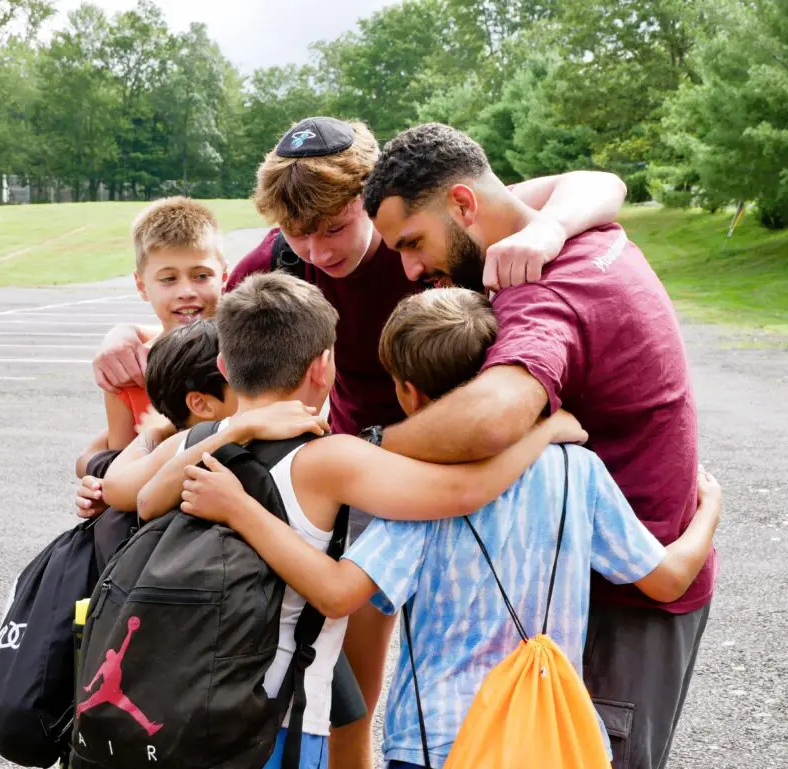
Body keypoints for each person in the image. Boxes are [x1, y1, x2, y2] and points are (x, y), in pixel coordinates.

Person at [90, 117, 629, 766]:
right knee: (322, 671)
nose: (316, 251)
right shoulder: (276, 261)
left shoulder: (425, 229)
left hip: (425, 460)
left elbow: (599, 181)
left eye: (335, 227)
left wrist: (550, 228)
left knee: (380, 681)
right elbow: (218, 338)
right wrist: (127, 335)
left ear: (373, 201)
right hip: (329, 475)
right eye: (297, 233)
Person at [179, 287, 724, 769]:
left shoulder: (415, 487)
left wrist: (240, 509)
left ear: (408, 393)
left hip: (436, 741)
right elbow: (668, 580)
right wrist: (710, 510)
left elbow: (341, 591)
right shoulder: (578, 470)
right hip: (555, 738)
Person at [361, 123, 713, 769]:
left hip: (625, 594)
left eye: (412, 243)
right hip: (610, 566)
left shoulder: (540, 295)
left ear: (464, 204)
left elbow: (492, 417)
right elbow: (603, 181)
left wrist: (366, 449)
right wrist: (550, 227)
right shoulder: (574, 232)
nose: (410, 270)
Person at [136, 273, 587, 768]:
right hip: (274, 714)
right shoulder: (332, 459)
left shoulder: (201, 441)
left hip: (180, 692)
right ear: (323, 368)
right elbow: (464, 491)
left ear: (223, 365)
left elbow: (142, 501)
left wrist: (232, 428)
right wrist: (541, 433)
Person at [74, 197, 227, 517]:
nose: (186, 290)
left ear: (224, 276)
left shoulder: (241, 354)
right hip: (150, 529)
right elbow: (117, 460)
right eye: (168, 279)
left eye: (201, 276)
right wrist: (98, 488)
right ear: (142, 285)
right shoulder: (124, 369)